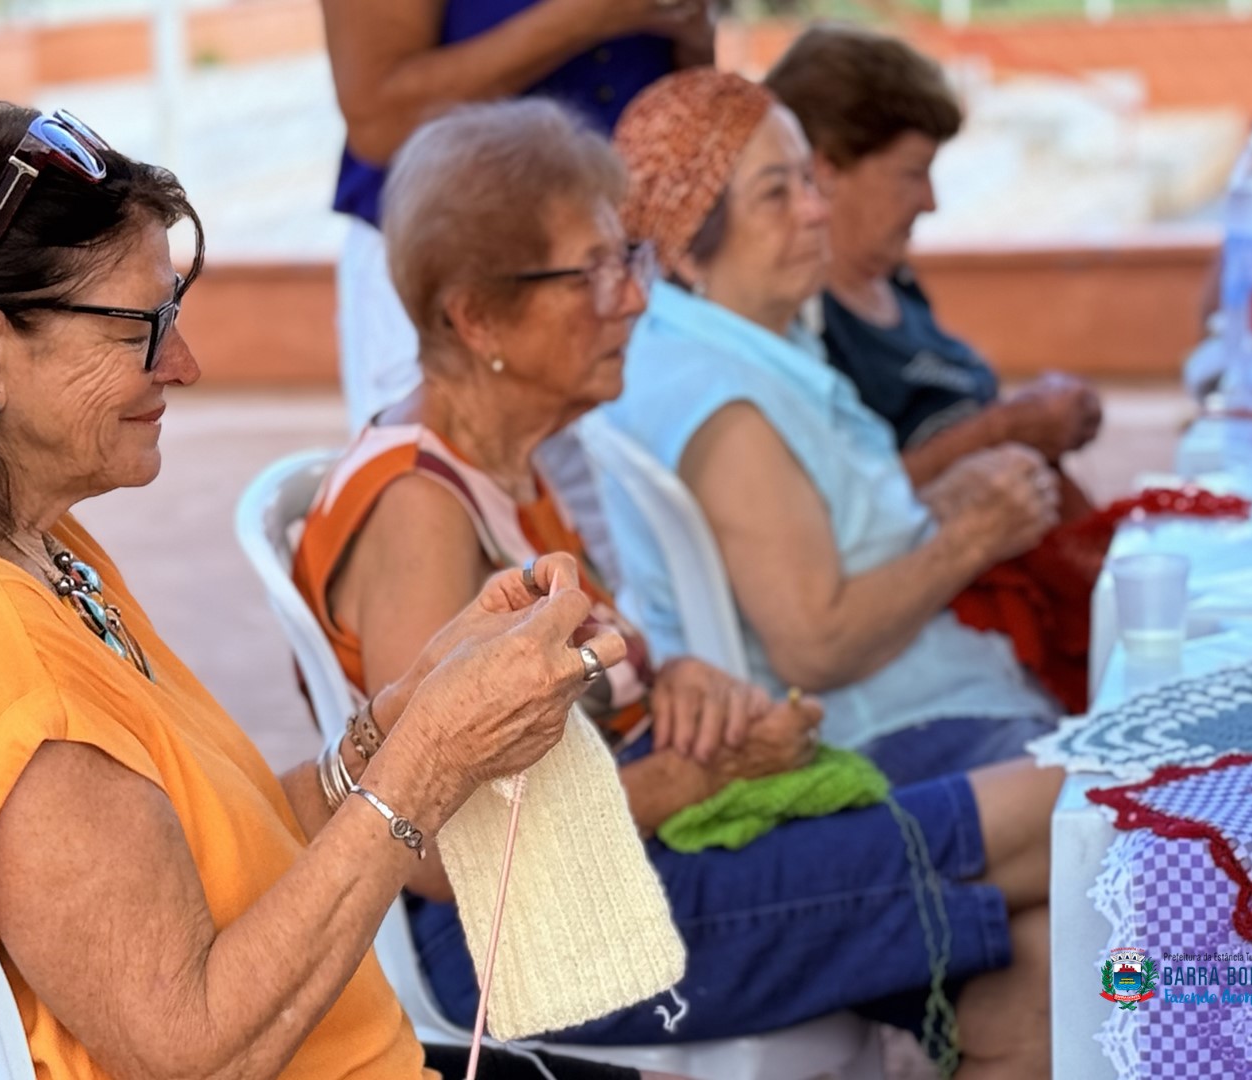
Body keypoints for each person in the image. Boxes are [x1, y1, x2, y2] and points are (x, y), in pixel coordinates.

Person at [0, 98, 666, 1080]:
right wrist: (428, 766)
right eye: (139, 329)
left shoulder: (0, 546)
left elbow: (209, 844)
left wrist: (398, 725)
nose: (185, 364)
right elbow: (193, 1050)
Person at [293, 98, 1058, 1077]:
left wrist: (677, 678)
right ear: (476, 315)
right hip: (534, 931)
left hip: (634, 860)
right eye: (593, 274)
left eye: (631, 260)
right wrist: (698, 777)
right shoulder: (421, 507)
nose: (635, 300)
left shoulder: (506, 465)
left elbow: (580, 700)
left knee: (1023, 978)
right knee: (1072, 809)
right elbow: (442, 848)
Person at [603, 69, 1064, 786]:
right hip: (872, 737)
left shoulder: (731, 341)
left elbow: (827, 536)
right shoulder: (720, 400)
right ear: (690, 251)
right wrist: (975, 536)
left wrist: (943, 503)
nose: (815, 212)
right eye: (775, 195)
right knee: (1128, 822)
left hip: (911, 709)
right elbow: (816, 643)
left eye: (807, 183)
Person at [320, 0, 715, 429]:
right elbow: (377, 119)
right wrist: (585, 18)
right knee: (451, 478)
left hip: (630, 268)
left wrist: (689, 27)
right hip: (457, 271)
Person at [762, 24, 1103, 489]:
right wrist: (1000, 431)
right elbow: (848, 515)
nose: (931, 201)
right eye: (912, 173)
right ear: (827, 168)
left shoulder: (897, 284)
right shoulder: (799, 327)